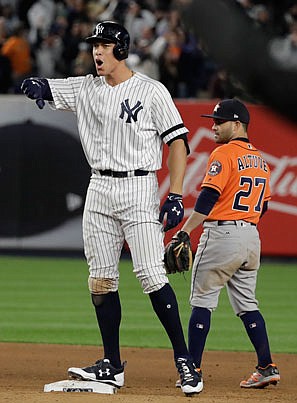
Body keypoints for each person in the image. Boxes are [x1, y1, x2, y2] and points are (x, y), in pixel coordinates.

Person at [21, 20, 201, 396]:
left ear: (121, 49)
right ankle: (112, 365)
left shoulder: (151, 91)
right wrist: (34, 84)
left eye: (103, 45)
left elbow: (179, 143)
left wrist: (176, 194)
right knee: (101, 279)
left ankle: (185, 362)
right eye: (94, 45)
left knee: (152, 274)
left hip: (138, 187)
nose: (96, 52)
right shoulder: (86, 87)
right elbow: (47, 86)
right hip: (99, 187)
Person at [175, 99, 280, 392]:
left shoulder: (224, 153)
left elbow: (208, 197)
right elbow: (265, 207)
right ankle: (266, 366)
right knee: (248, 305)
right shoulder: (261, 159)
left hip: (222, 236)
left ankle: (192, 370)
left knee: (202, 301)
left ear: (236, 124)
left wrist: (184, 231)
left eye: (219, 121)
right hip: (251, 238)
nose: (213, 126)